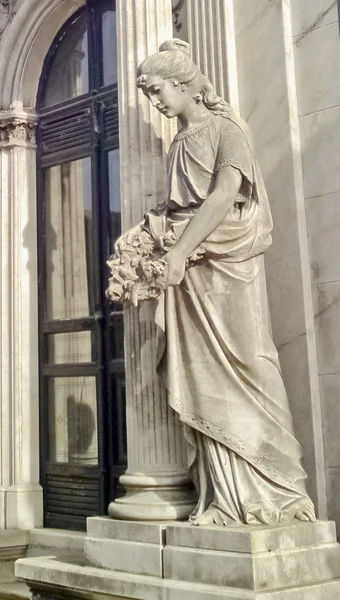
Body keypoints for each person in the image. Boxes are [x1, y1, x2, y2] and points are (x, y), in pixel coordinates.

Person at [110, 38, 316, 526]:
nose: (155, 102)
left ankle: (275, 494)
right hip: (192, 269)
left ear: (184, 85)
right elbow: (183, 205)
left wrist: (179, 249)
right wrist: (149, 237)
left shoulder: (226, 128)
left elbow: (227, 193)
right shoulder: (182, 139)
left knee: (247, 366)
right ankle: (224, 498)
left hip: (225, 263)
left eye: (158, 91)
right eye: (148, 95)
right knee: (203, 378)